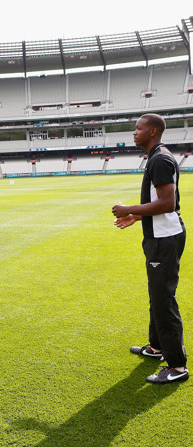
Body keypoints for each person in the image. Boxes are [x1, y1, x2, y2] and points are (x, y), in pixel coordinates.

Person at [112, 113, 188, 384]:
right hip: (160, 236)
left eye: (138, 128)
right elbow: (161, 203)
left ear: (153, 131)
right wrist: (137, 216)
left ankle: (177, 366)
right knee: (157, 294)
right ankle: (157, 348)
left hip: (164, 239)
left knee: (163, 299)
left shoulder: (159, 159)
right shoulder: (157, 156)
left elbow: (169, 203)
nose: (134, 132)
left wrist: (128, 208)